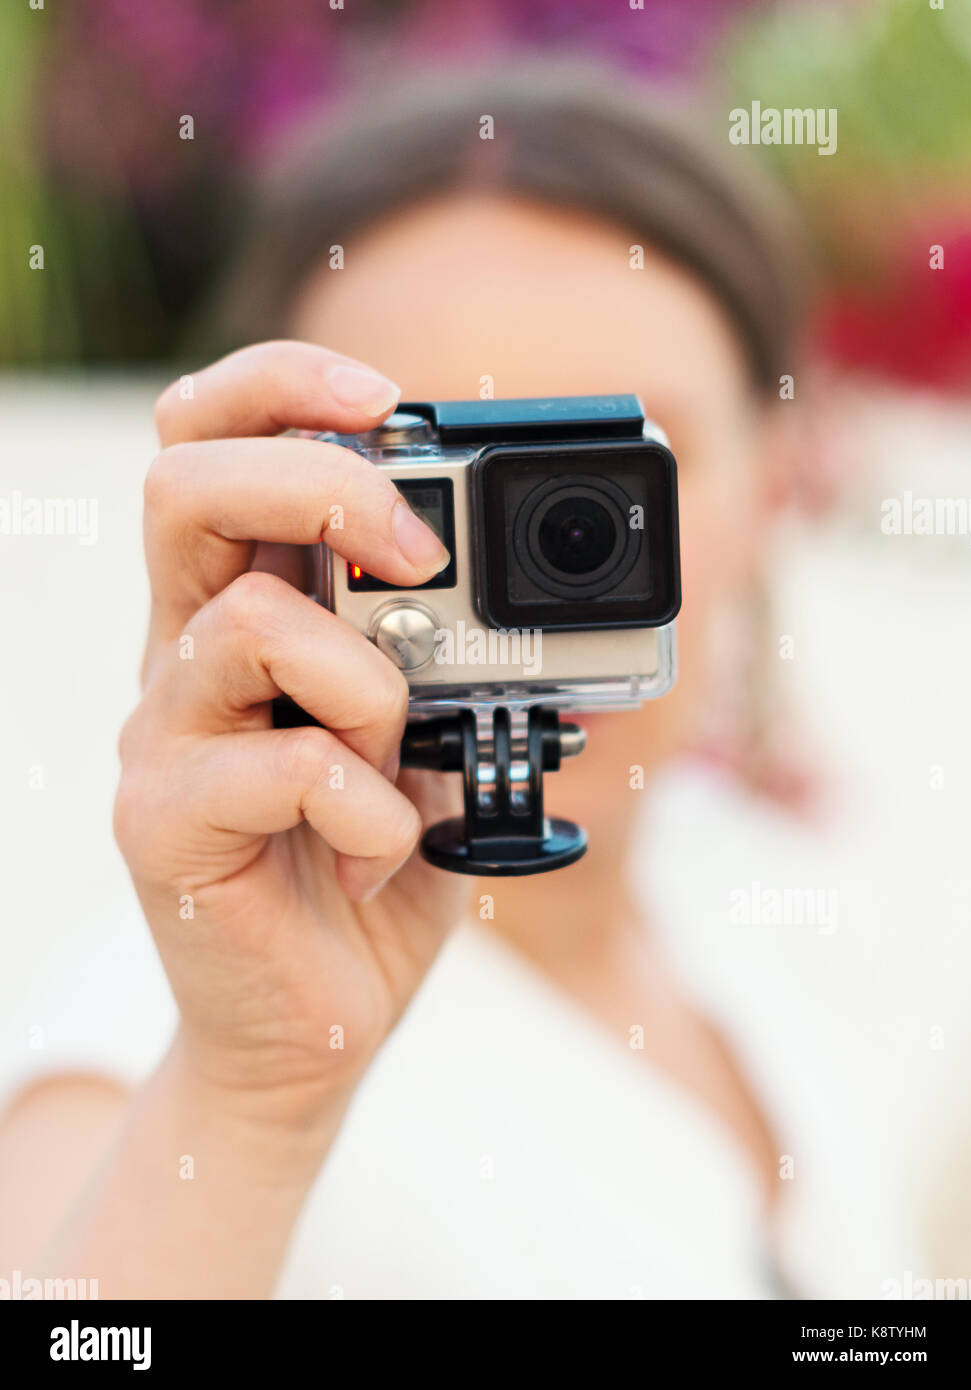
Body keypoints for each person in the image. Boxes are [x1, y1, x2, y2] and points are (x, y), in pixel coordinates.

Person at [0, 64, 911, 1299]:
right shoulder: (154, 1048)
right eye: (418, 479)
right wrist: (246, 1108)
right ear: (269, 514)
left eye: (595, 497)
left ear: (776, 477)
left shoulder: (766, 906)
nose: (521, 600)